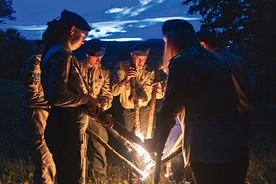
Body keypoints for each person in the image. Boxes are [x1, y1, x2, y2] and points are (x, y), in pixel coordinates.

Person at [145, 19, 249, 184]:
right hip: (236, 147)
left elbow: (169, 110)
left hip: (208, 152)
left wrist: (156, 141)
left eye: (166, 42)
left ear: (171, 40)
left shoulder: (182, 63)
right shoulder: (216, 61)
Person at [40, 10, 113, 184]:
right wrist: (87, 99)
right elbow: (57, 95)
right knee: (71, 178)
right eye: (83, 35)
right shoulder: (61, 55)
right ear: (72, 30)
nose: (84, 41)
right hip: (66, 129)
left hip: (68, 128)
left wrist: (95, 111)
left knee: (70, 175)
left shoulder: (59, 52)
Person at [111, 43, 164, 184]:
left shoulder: (149, 72)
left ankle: (142, 173)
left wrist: (158, 89)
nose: (141, 62)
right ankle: (134, 173)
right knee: (132, 141)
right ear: (132, 56)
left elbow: (157, 96)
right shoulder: (121, 68)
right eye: (138, 58)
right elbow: (114, 91)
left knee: (145, 139)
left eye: (144, 58)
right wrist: (126, 79)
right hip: (129, 111)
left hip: (145, 110)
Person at [196, 29, 252, 135]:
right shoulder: (238, 60)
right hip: (243, 116)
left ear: (203, 45)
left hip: (221, 118)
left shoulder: (208, 64)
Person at [20, 40, 56, 184]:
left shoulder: (49, 64)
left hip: (46, 114)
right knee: (44, 161)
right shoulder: (35, 64)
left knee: (49, 160)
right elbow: (32, 94)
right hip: (36, 114)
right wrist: (57, 103)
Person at [78, 38, 113, 183]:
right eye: (95, 56)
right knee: (80, 148)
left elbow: (107, 95)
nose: (98, 59)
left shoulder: (104, 72)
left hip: (97, 115)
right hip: (79, 114)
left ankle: (101, 178)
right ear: (87, 54)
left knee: (101, 146)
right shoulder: (77, 68)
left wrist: (101, 108)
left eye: (101, 56)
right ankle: (80, 178)